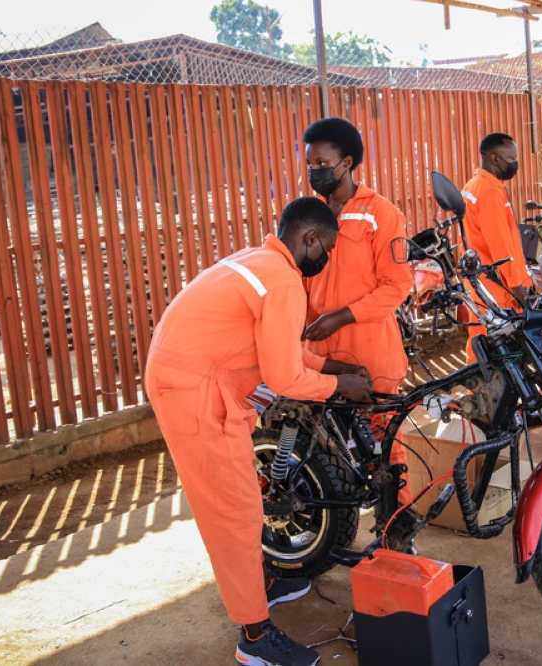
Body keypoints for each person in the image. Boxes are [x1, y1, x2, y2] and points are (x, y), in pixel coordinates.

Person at [144, 197, 373, 666]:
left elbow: (277, 352)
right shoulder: (284, 281)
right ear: (309, 239)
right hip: (193, 390)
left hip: (192, 376)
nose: (324, 258)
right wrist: (338, 384)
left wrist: (332, 365)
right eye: (325, 248)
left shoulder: (262, 262)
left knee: (242, 496)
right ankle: (254, 635)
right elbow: (287, 378)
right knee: (234, 510)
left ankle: (262, 584)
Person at [300, 117, 415, 505]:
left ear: (346, 163)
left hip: (369, 355)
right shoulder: (307, 214)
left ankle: (397, 529)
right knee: (324, 452)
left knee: (385, 452)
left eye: (322, 163)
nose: (314, 172)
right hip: (318, 357)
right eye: (310, 165)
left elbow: (397, 286)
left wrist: (340, 316)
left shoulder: (382, 214)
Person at [460, 132, 530, 360]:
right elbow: (501, 247)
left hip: (481, 284)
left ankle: (480, 393)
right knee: (495, 353)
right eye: (511, 159)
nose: (515, 164)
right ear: (494, 159)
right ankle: (483, 394)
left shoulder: (475, 185)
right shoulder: (488, 191)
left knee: (481, 346)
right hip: (497, 288)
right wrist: (518, 288)